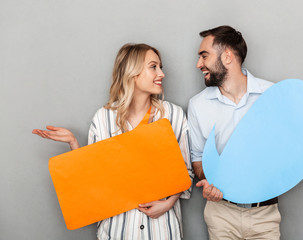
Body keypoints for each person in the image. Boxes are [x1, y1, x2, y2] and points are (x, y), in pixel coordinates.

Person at [187, 25, 303, 240]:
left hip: (265, 215)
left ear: (227, 56)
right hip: (220, 214)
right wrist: (210, 182)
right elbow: (199, 160)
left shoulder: (273, 95)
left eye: (204, 56)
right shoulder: (198, 105)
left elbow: (293, 145)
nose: (198, 64)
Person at [33, 43, 194, 240]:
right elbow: (92, 181)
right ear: (132, 72)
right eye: (153, 67)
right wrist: (74, 145)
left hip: (162, 230)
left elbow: (185, 172)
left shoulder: (173, 115)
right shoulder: (103, 118)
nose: (161, 73)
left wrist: (168, 204)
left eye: (161, 67)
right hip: (117, 231)